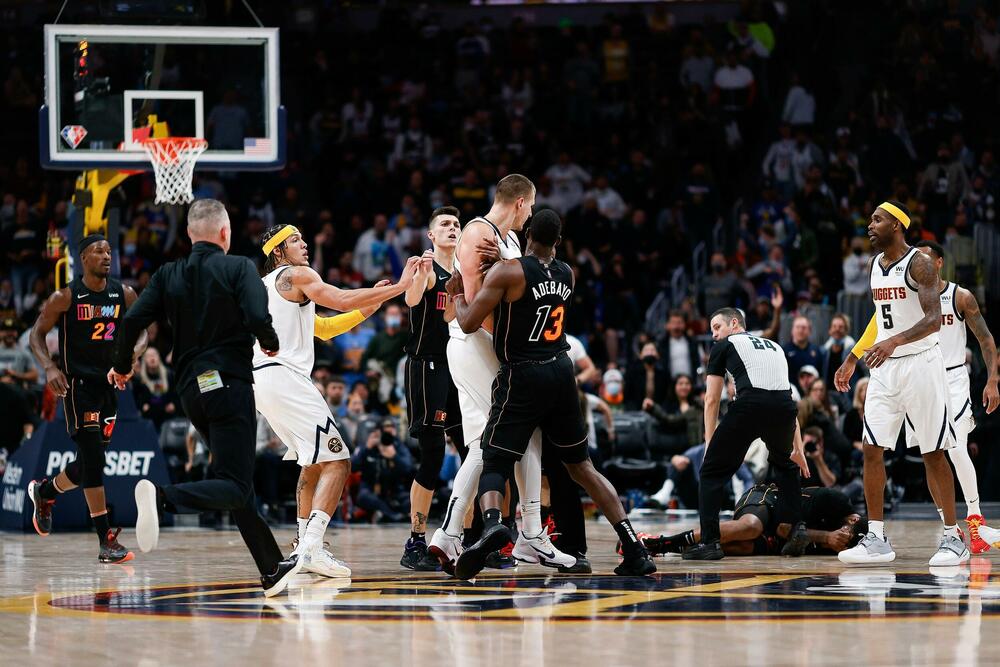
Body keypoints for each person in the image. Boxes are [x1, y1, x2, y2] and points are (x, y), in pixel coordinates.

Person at [446, 209, 655, 579]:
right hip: (561, 371)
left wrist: (459, 293)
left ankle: (493, 525)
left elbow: (468, 321)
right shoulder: (567, 273)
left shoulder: (508, 272)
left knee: (494, 459)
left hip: (524, 373)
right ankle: (634, 547)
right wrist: (504, 263)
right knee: (582, 467)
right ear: (558, 241)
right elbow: (534, 281)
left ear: (527, 233)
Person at [108, 200, 299, 597]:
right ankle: (162, 496)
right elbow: (256, 314)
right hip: (228, 385)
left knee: (235, 479)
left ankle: (271, 568)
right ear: (225, 233)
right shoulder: (239, 267)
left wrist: (123, 365)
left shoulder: (168, 273)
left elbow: (131, 321)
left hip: (191, 392)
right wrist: (269, 340)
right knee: (234, 483)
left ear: (189, 234)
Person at [428, 174, 577, 574]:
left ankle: (451, 533)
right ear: (521, 202)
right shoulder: (479, 233)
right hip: (475, 343)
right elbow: (478, 310)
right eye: (531, 205)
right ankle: (529, 535)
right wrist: (526, 341)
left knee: (489, 442)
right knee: (514, 434)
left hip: (489, 347)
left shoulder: (507, 240)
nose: (531, 213)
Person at [252, 222, 419, 578]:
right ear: (278, 251)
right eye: (295, 240)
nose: (304, 244)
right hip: (284, 377)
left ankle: (303, 543)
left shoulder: (266, 287)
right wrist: (400, 287)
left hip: (264, 380)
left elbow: (325, 329)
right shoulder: (297, 275)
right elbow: (340, 298)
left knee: (313, 462)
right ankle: (312, 547)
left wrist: (370, 306)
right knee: (339, 461)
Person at [834, 201, 967, 566]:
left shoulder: (919, 263)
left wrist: (894, 342)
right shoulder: (874, 266)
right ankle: (877, 537)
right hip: (884, 368)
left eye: (877, 219)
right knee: (871, 447)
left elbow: (934, 319)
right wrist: (853, 357)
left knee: (933, 452)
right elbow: (880, 319)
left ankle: (953, 537)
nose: (869, 225)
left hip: (921, 364)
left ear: (897, 225)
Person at [26, 234, 146, 564]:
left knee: (86, 466)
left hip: (109, 386)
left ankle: (44, 492)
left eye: (109, 251)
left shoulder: (124, 293)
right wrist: (49, 367)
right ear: (83, 259)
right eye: (98, 251)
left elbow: (142, 331)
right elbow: (36, 334)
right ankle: (105, 541)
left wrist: (132, 355)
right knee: (93, 461)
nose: (106, 256)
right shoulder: (65, 296)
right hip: (77, 388)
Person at [684, 307, 810, 561]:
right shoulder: (776, 347)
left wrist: (709, 443)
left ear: (734, 323)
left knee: (711, 472)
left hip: (750, 405)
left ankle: (710, 542)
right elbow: (787, 399)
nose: (714, 335)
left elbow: (711, 399)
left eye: (717, 327)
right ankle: (797, 529)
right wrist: (798, 449)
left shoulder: (724, 345)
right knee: (785, 465)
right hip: (784, 410)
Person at [908, 241, 999, 553]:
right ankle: (950, 527)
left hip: (953, 377)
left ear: (938, 263)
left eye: (924, 258)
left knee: (958, 448)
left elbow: (985, 339)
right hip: (919, 376)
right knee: (930, 455)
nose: (918, 264)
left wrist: (993, 380)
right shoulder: (909, 298)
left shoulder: (960, 296)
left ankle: (975, 519)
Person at [400, 207, 467, 570]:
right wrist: (420, 276)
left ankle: (466, 537)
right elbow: (411, 300)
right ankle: (415, 541)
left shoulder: (464, 272)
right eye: (445, 224)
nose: (452, 228)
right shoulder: (426, 270)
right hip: (427, 366)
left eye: (456, 224)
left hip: (459, 367)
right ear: (431, 235)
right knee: (433, 454)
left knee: (473, 452)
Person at [642, 485, 865, 557]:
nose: (844, 541)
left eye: (848, 545)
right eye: (848, 534)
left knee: (744, 547)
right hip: (768, 500)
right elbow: (785, 528)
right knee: (750, 527)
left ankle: (672, 549)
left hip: (778, 538)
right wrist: (827, 537)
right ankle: (665, 541)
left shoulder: (842, 550)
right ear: (852, 519)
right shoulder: (833, 500)